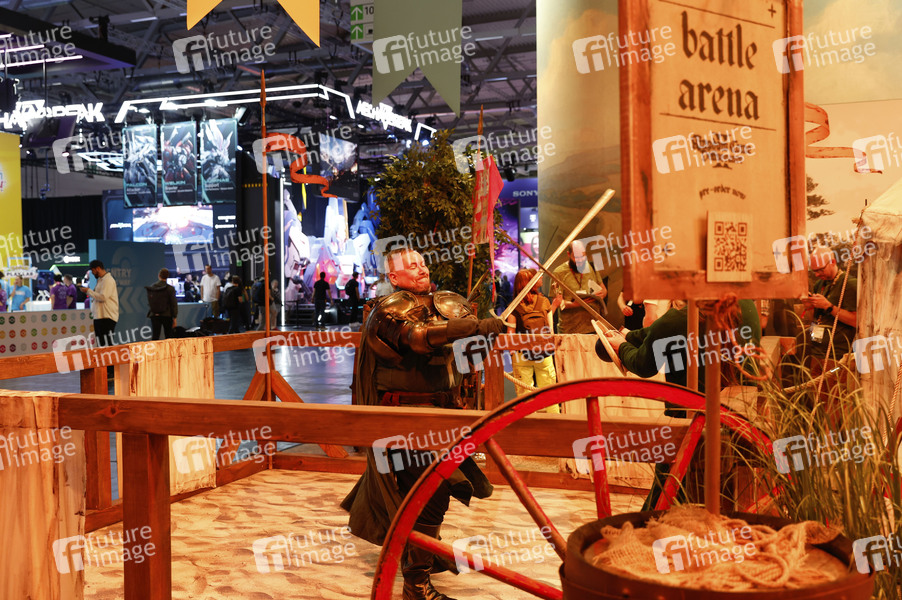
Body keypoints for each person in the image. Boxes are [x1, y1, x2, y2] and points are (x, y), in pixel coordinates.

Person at [341, 247, 506, 600]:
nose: (421, 269)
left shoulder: (444, 305)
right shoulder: (388, 310)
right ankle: (416, 584)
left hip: (439, 418)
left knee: (429, 494)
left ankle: (418, 572)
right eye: (411, 266)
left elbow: (466, 357)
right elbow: (417, 338)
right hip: (402, 421)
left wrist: (483, 333)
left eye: (422, 263)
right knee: (432, 491)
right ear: (394, 277)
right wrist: (468, 326)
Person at [601, 296, 761, 510]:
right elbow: (661, 332)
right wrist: (629, 335)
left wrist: (621, 347)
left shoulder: (678, 320)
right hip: (742, 418)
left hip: (691, 425)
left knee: (665, 493)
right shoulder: (747, 305)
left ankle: (651, 524)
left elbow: (643, 364)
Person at [506, 269, 562, 407]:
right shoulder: (544, 301)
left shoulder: (514, 306)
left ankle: (528, 420)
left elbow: (510, 334)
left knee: (525, 399)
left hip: (522, 354)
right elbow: (550, 329)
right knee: (549, 396)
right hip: (543, 353)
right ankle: (553, 419)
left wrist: (512, 353)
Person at [797, 245, 858, 369]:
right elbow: (816, 318)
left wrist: (828, 306)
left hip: (837, 355)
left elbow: (855, 321)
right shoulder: (820, 284)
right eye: (814, 271)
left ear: (833, 262)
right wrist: (809, 306)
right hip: (817, 351)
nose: (817, 274)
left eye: (820, 270)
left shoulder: (849, 284)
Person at [551, 240, 607, 333]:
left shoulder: (591, 267)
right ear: (569, 254)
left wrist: (601, 294)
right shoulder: (559, 273)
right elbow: (556, 302)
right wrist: (574, 304)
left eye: (583, 256)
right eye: (576, 257)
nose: (580, 260)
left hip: (593, 327)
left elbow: (603, 289)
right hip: (569, 330)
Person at [81, 260, 119, 346]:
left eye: (93, 270)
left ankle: (109, 356)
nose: (92, 273)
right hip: (100, 316)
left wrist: (88, 291)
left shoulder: (108, 280)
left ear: (98, 268)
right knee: (101, 345)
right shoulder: (102, 280)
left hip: (106, 317)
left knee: (106, 345)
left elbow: (103, 297)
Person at [146, 268, 178, 340]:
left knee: (155, 336)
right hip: (167, 315)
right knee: (168, 336)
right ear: (167, 276)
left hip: (154, 314)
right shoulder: (170, 289)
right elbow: (173, 303)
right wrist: (175, 317)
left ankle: (154, 348)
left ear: (159, 276)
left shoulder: (153, 287)